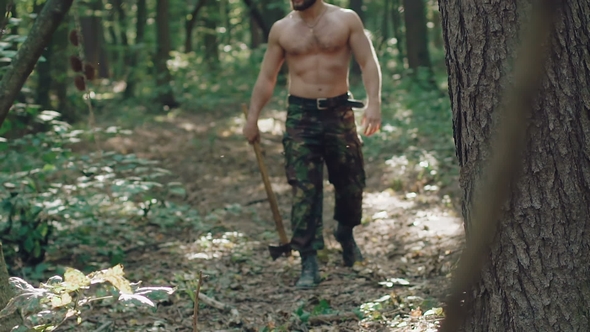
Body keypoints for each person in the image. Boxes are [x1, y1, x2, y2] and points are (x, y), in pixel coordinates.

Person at [242, 0, 382, 289]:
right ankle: (308, 258)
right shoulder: (282, 29)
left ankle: (345, 232)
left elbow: (368, 61)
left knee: (350, 182)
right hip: (301, 115)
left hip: (339, 111)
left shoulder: (346, 19)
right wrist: (252, 118)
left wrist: (374, 103)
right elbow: (267, 77)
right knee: (304, 188)